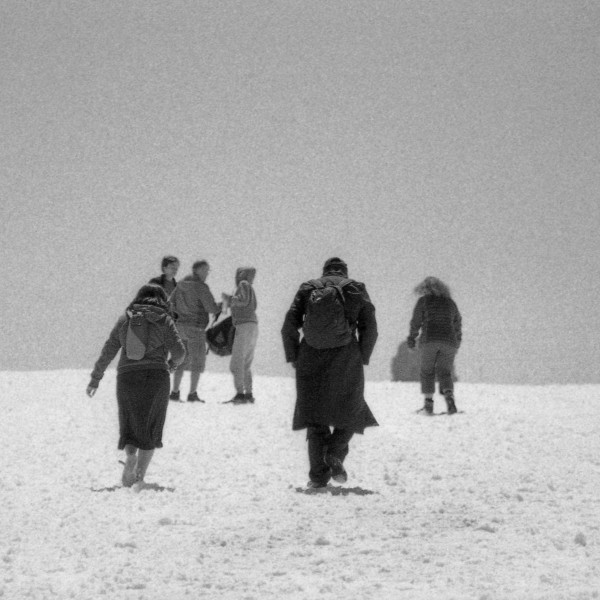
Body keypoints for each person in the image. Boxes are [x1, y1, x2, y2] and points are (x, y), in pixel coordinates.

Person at [281, 257, 378, 489]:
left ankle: (317, 478)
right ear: (345, 272)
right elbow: (370, 328)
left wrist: (294, 356)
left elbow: (288, 325)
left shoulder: (308, 288)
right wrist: (362, 355)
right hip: (346, 356)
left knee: (315, 416)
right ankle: (335, 451)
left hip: (310, 356)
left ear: (324, 271)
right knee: (352, 408)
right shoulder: (355, 288)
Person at [86, 284, 186, 487]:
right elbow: (180, 353)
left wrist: (96, 378)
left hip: (127, 377)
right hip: (156, 377)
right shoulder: (164, 319)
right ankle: (139, 475)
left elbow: (108, 350)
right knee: (151, 425)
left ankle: (130, 455)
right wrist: (172, 365)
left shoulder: (126, 319)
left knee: (130, 422)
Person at [406, 276, 462, 415]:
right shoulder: (450, 303)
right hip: (449, 342)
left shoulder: (423, 301)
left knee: (427, 371)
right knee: (445, 372)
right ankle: (450, 399)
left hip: (429, 340)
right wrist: (457, 342)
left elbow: (416, 322)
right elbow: (457, 324)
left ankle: (428, 405)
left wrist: (412, 339)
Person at [168, 260, 222, 402]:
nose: (206, 274)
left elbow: (170, 303)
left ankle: (174, 392)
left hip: (180, 328)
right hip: (196, 328)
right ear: (196, 271)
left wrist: (181, 314)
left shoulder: (180, 285)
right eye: (205, 270)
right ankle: (192, 394)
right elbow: (211, 308)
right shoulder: (201, 287)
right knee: (197, 362)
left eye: (208, 270)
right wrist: (220, 306)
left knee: (181, 360)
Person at [222, 267, 258, 404]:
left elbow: (242, 300)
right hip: (253, 326)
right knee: (246, 364)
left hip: (243, 327)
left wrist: (229, 298)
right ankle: (248, 394)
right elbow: (249, 304)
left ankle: (240, 395)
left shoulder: (244, 284)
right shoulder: (250, 288)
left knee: (236, 364)